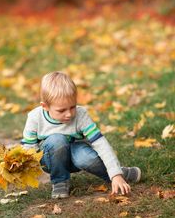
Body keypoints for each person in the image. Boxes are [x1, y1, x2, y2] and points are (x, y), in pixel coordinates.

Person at [21, 71, 141, 199]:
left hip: (75, 156)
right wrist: (19, 167)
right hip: (50, 159)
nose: (69, 114)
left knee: (86, 157)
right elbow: (29, 148)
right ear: (45, 106)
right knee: (57, 139)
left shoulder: (81, 114)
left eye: (72, 107)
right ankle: (60, 181)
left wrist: (116, 174)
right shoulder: (35, 117)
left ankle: (118, 175)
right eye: (61, 110)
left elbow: (100, 143)